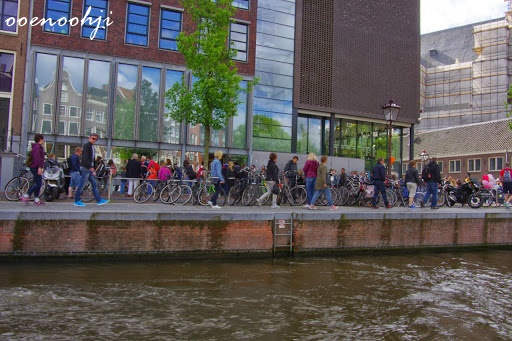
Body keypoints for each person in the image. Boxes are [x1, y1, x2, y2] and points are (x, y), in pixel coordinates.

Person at [74, 133, 109, 207]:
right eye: (93, 138)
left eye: (96, 139)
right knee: (82, 184)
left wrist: (92, 168)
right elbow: (85, 158)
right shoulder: (87, 146)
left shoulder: (91, 146)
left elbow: (91, 159)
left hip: (88, 169)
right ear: (89, 138)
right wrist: (90, 167)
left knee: (94, 183)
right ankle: (77, 200)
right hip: (86, 168)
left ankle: (98, 199)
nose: (94, 140)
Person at [21, 134, 46, 205]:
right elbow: (37, 158)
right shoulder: (37, 147)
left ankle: (36, 199)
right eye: (43, 139)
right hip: (36, 167)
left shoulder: (36, 147)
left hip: (34, 167)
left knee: (37, 183)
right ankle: (26, 195)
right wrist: (39, 167)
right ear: (40, 139)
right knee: (39, 183)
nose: (43, 140)